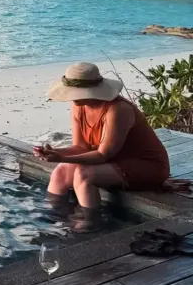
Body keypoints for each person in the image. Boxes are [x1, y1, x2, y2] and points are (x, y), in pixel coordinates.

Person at [35, 61, 170, 210]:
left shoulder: (117, 109)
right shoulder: (78, 106)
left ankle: (88, 225)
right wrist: (54, 153)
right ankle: (52, 217)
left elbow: (103, 154)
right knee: (61, 171)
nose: (72, 97)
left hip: (146, 164)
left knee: (84, 174)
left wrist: (62, 157)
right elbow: (81, 147)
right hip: (114, 160)